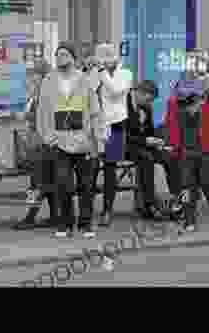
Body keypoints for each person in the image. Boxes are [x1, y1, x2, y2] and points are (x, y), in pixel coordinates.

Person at [35, 41, 103, 238]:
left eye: (64, 54)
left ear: (73, 58)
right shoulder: (48, 80)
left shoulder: (84, 79)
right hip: (59, 141)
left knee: (87, 185)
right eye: (58, 55)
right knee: (63, 183)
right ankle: (64, 224)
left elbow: (95, 110)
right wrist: (48, 137)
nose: (60, 58)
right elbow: (43, 111)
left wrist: (97, 139)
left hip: (84, 140)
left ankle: (86, 224)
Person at [165, 56, 209, 232]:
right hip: (187, 144)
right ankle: (188, 219)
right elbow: (171, 116)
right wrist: (172, 143)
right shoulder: (178, 87)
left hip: (208, 145)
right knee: (187, 185)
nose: (191, 69)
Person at [89, 43, 133, 226]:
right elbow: (88, 90)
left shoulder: (126, 74)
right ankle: (87, 208)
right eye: (102, 57)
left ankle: (107, 210)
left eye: (108, 57)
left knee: (109, 167)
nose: (105, 61)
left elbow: (115, 91)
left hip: (115, 125)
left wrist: (101, 72)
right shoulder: (97, 72)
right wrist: (90, 72)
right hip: (96, 124)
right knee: (90, 167)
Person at [13, 59, 57, 230]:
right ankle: (55, 216)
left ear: (42, 76)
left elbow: (44, 118)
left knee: (36, 183)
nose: (30, 78)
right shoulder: (37, 95)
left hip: (44, 145)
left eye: (33, 75)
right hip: (40, 144)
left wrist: (27, 117)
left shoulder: (47, 94)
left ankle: (31, 217)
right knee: (48, 183)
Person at [126, 80, 166, 220]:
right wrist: (145, 141)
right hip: (123, 145)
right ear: (140, 93)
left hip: (143, 145)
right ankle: (149, 205)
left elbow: (150, 131)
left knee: (170, 155)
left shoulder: (147, 107)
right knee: (146, 158)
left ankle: (174, 200)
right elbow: (122, 135)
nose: (150, 103)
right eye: (148, 99)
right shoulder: (122, 103)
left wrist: (157, 142)